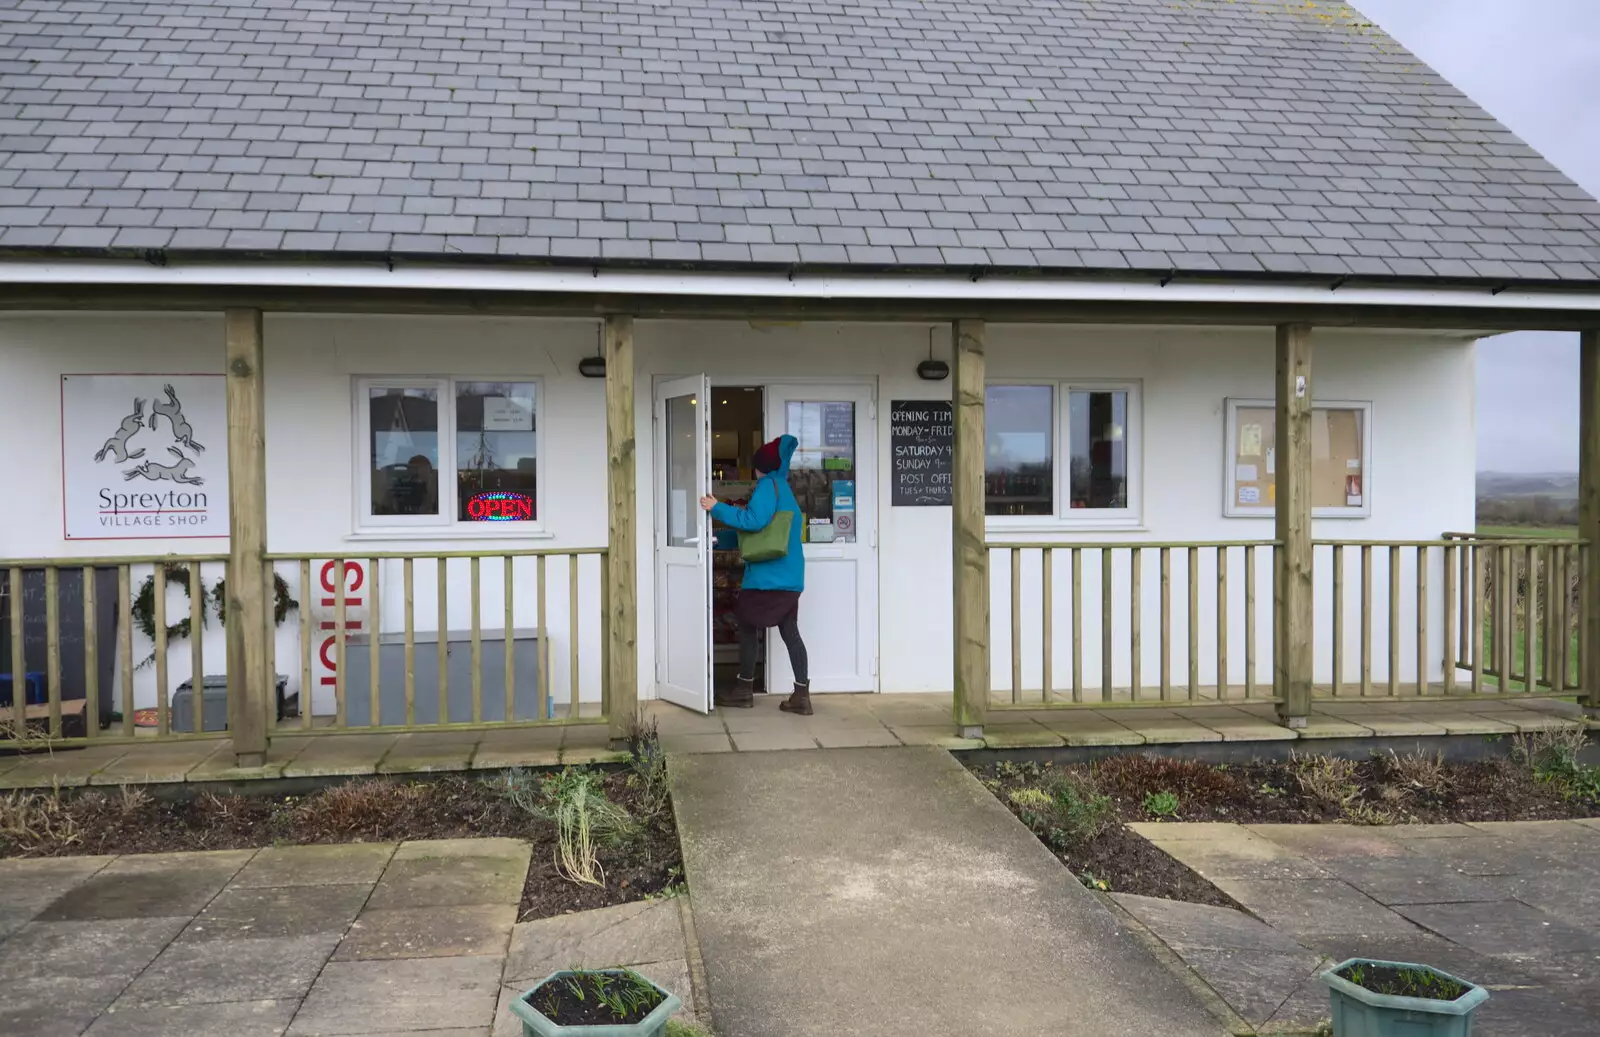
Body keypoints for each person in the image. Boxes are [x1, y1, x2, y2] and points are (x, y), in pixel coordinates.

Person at [699, 434, 811, 715]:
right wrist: (718, 540)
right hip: (788, 576)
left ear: (761, 466)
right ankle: (801, 695)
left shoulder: (766, 486)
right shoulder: (783, 489)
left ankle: (743, 689)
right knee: (790, 631)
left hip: (766, 578)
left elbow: (753, 521)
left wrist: (717, 508)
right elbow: (763, 534)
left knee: (747, 626)